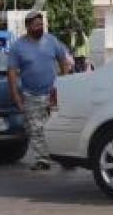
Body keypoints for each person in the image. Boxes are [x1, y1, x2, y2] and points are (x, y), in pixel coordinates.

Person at [7, 11, 73, 171]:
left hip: (53, 94)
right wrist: (16, 96)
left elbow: (63, 61)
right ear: (28, 26)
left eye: (41, 25)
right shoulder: (18, 47)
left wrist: (63, 82)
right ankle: (42, 159)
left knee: (59, 126)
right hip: (31, 95)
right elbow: (11, 72)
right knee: (36, 129)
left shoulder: (51, 41)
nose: (40, 28)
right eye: (36, 25)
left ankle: (67, 158)